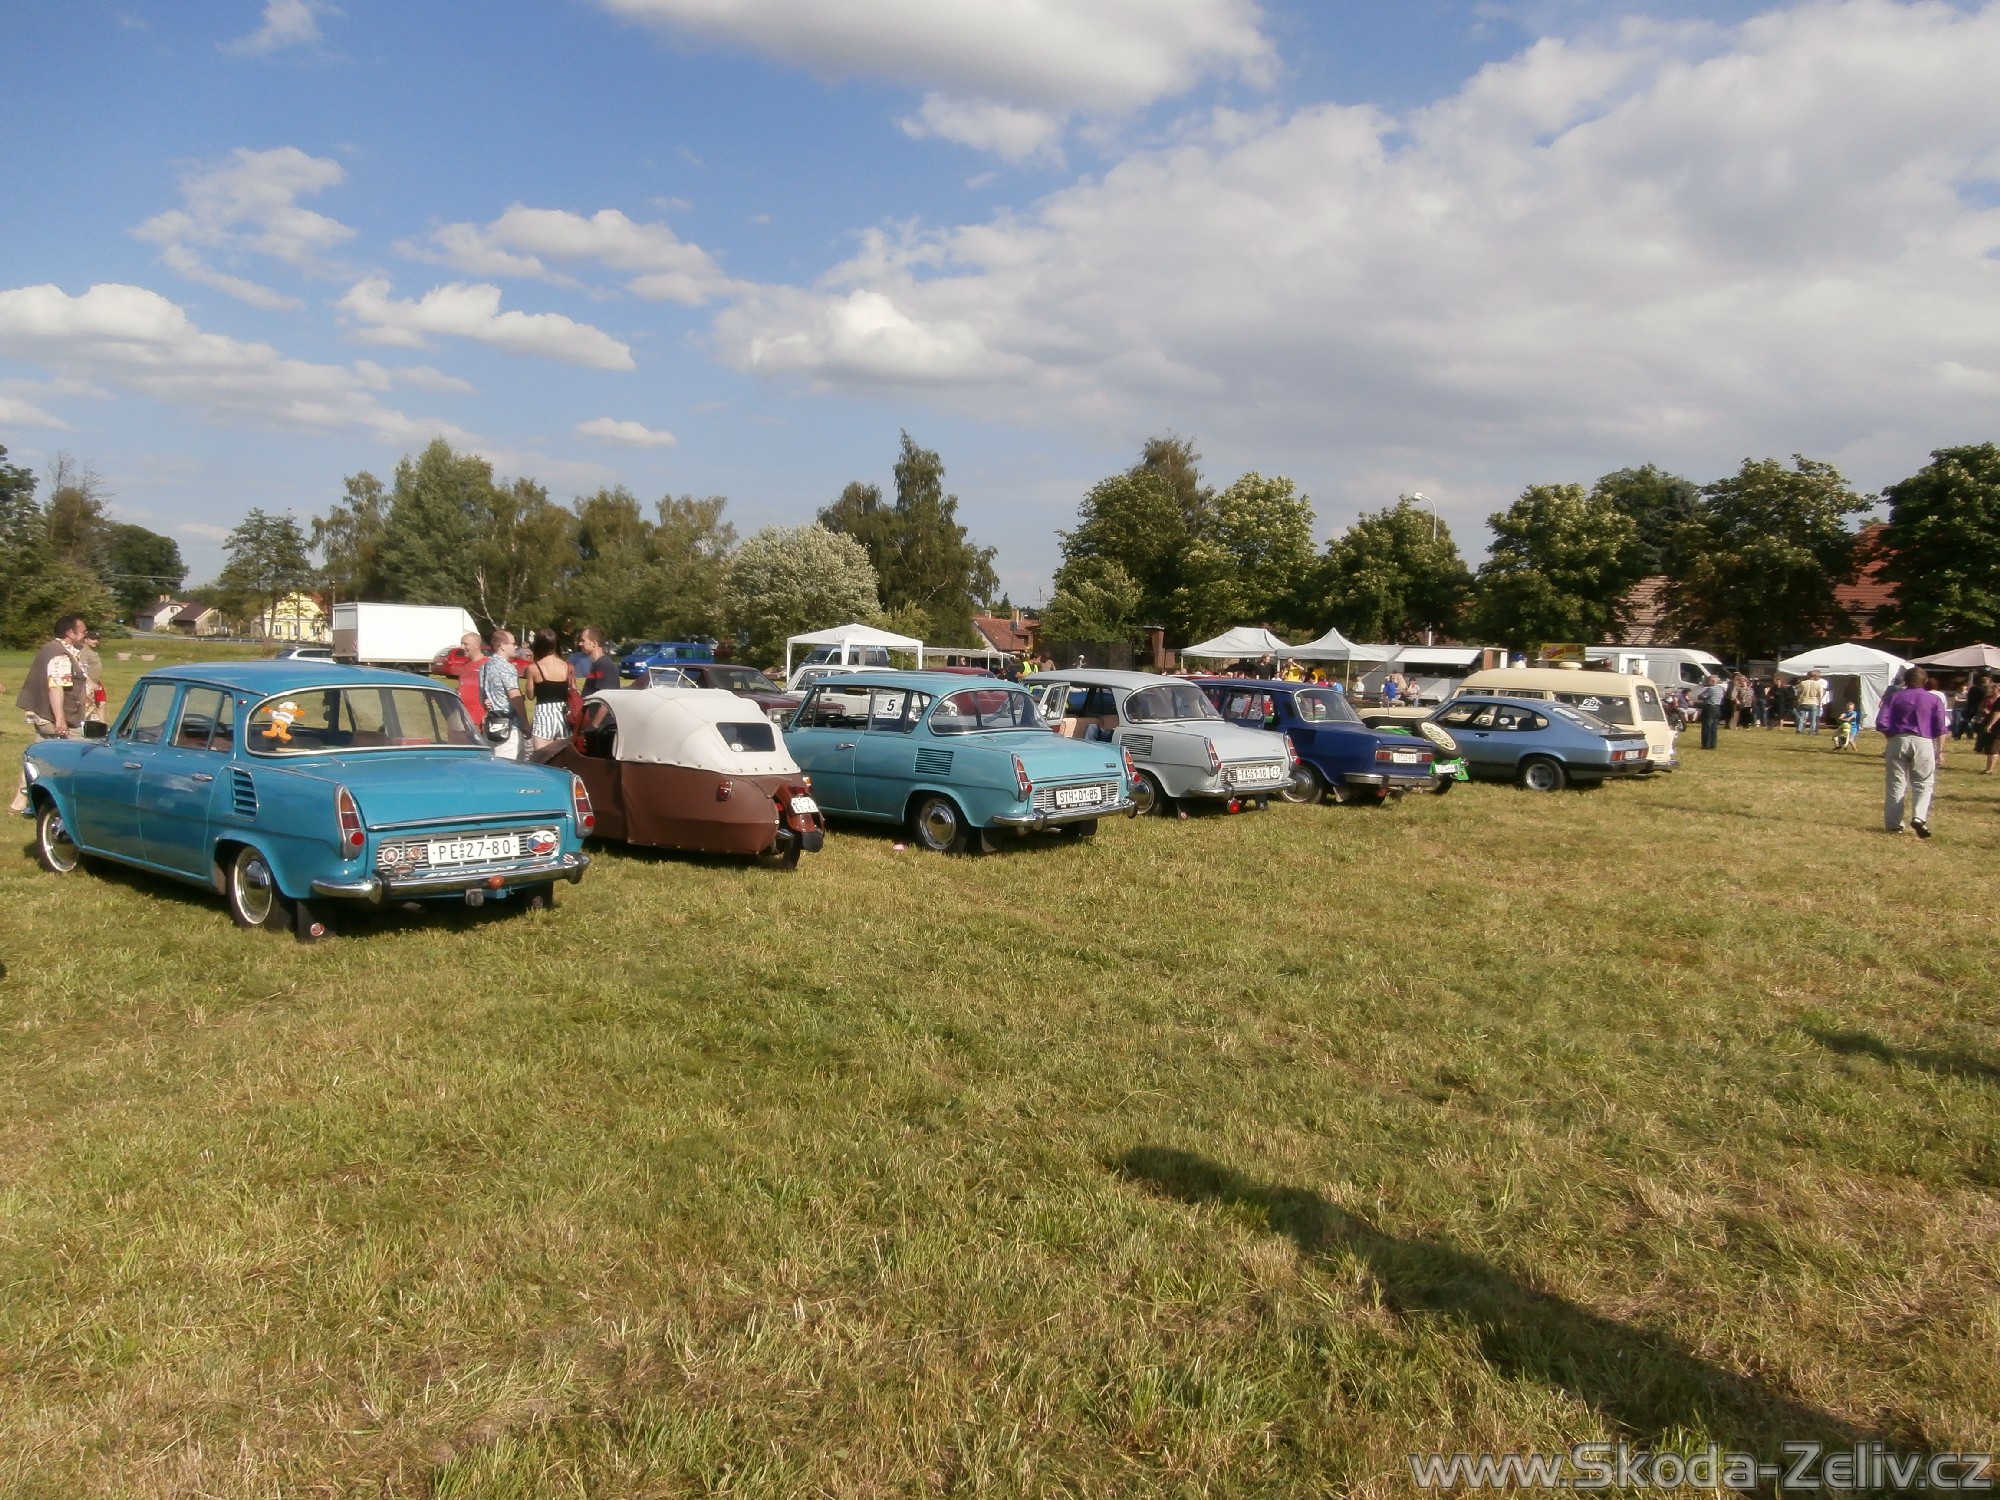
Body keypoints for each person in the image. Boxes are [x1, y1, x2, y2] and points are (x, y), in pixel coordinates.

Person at [11, 614, 90, 813]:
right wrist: (60, 720)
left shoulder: (49, 649)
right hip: (56, 718)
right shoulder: (60, 655)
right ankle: (76, 803)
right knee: (84, 753)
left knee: (39, 758)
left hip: (43, 714)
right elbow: (56, 687)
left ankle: (18, 803)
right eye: (83, 631)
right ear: (70, 633)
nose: (86, 634)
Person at [1877, 665, 1948, 837]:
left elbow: (1881, 722)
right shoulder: (1933, 699)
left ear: (1905, 680)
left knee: (1896, 783)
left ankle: (1894, 825)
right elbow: (1940, 727)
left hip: (1898, 739)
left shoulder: (1893, 697)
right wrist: (1940, 751)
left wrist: (1891, 736)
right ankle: (1919, 817)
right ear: (1925, 681)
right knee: (1923, 782)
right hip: (1923, 741)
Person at [479, 628, 528, 759]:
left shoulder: (484, 667)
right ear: (503, 646)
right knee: (510, 766)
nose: (515, 647)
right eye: (513, 644)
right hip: (509, 727)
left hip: (492, 725)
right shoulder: (506, 667)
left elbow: (482, 697)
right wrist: (525, 724)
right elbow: (514, 696)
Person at [523, 629, 575, 752]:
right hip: (563, 713)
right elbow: (573, 689)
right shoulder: (568, 666)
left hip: (543, 713)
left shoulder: (533, 668)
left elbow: (530, 695)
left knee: (542, 756)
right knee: (563, 755)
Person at [77, 628, 108, 734]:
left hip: (96, 682)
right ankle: (80, 728)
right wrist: (90, 683)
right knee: (88, 707)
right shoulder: (84, 651)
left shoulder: (92, 651)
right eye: (93, 639)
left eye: (97, 639)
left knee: (101, 703)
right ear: (86, 639)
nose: (96, 641)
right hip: (87, 683)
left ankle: (103, 726)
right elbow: (81, 669)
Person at [454, 631, 488, 724]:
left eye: (465, 644)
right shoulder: (464, 666)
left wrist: (487, 714)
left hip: (480, 720)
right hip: (462, 718)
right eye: (461, 644)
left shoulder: (488, 665)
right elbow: (463, 689)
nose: (461, 647)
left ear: (476, 645)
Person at [579, 627, 620, 697]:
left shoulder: (603, 665)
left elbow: (607, 697)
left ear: (594, 643)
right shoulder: (597, 664)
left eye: (583, 641)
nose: (580, 643)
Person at [1696, 672, 1726, 750]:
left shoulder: (1710, 689)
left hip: (1710, 707)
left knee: (1707, 726)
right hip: (1717, 708)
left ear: (1711, 681)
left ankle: (1706, 745)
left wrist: (1701, 697)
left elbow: (1701, 696)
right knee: (1714, 727)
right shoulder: (1721, 689)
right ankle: (1713, 744)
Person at [1796, 669, 1828, 734]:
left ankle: (1800, 730)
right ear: (1814, 676)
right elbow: (1820, 695)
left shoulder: (1803, 683)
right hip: (1814, 702)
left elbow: (1798, 693)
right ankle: (1812, 731)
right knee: (1813, 718)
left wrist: (1798, 701)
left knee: (1802, 717)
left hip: (1804, 701)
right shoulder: (1818, 684)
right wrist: (1819, 702)